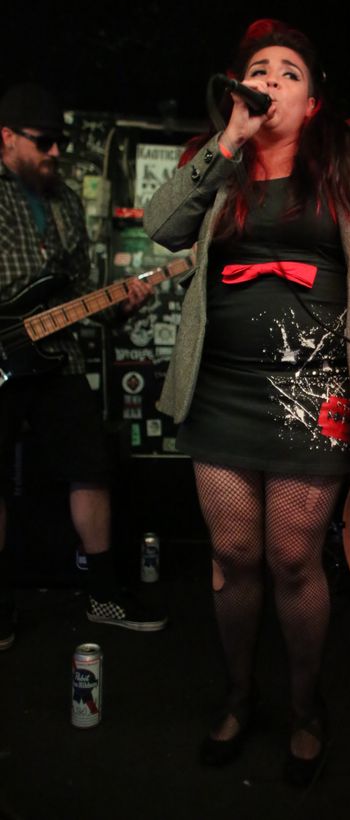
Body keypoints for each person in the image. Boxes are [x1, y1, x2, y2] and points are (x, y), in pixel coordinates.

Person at [144, 19, 350, 784]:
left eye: (289, 72)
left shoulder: (349, 164)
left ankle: (306, 706)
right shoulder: (220, 161)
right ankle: (239, 694)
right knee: (234, 556)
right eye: (260, 69)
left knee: (293, 558)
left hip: (316, 392)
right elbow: (162, 226)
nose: (271, 78)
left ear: (312, 103)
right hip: (221, 389)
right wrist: (227, 142)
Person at [0, 82, 168, 651]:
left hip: (60, 354)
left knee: (91, 467)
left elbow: (74, 290)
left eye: (60, 142)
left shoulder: (66, 200)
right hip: (3, 356)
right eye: (43, 141)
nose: (54, 152)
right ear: (7, 137)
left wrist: (117, 305)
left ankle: (103, 592)